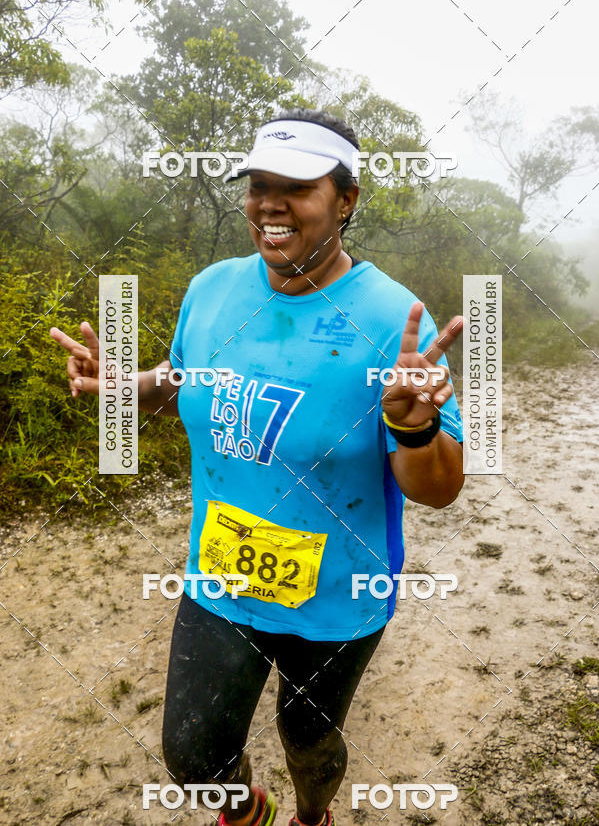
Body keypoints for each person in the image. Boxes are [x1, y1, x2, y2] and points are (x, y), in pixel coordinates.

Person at [51, 108, 464, 826]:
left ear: (346, 200)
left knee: (308, 739)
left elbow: (440, 489)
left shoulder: (395, 319)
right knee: (192, 754)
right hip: (222, 575)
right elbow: (185, 382)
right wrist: (127, 387)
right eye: (258, 186)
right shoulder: (213, 288)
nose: (270, 204)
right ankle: (250, 817)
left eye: (296, 187)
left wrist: (412, 423)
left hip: (338, 592)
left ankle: (312, 816)